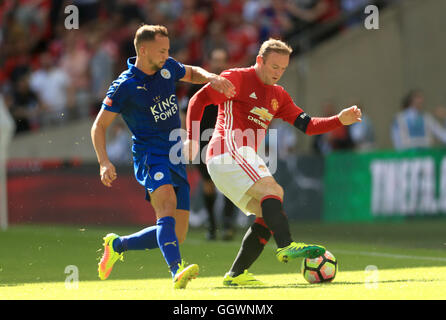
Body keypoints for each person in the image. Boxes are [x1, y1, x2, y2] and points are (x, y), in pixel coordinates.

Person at [184, 38, 361, 286]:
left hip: (236, 158)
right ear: (260, 61)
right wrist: (192, 139)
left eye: (283, 69)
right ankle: (286, 246)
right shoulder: (237, 78)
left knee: (270, 213)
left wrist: (339, 120)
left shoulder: (278, 96)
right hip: (227, 148)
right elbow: (197, 101)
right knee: (274, 191)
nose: (278, 73)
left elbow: (307, 126)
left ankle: (236, 275)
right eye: (274, 67)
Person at [91, 25, 235, 289]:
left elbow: (191, 72)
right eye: (162, 50)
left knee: (176, 234)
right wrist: (104, 161)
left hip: (174, 152)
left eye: (168, 49)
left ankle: (117, 245)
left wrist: (212, 77)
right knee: (166, 204)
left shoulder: (166, 66)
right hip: (149, 154)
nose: (167, 54)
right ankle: (176, 271)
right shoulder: (124, 86)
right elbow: (99, 126)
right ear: (143, 50)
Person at [181, 48, 237, 241]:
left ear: (226, 62)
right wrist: (187, 138)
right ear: (210, 62)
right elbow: (185, 111)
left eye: (222, 60)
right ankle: (212, 226)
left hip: (227, 139)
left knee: (229, 182)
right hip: (202, 139)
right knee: (208, 184)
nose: (219, 64)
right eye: (215, 60)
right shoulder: (197, 85)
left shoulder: (233, 83)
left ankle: (228, 225)